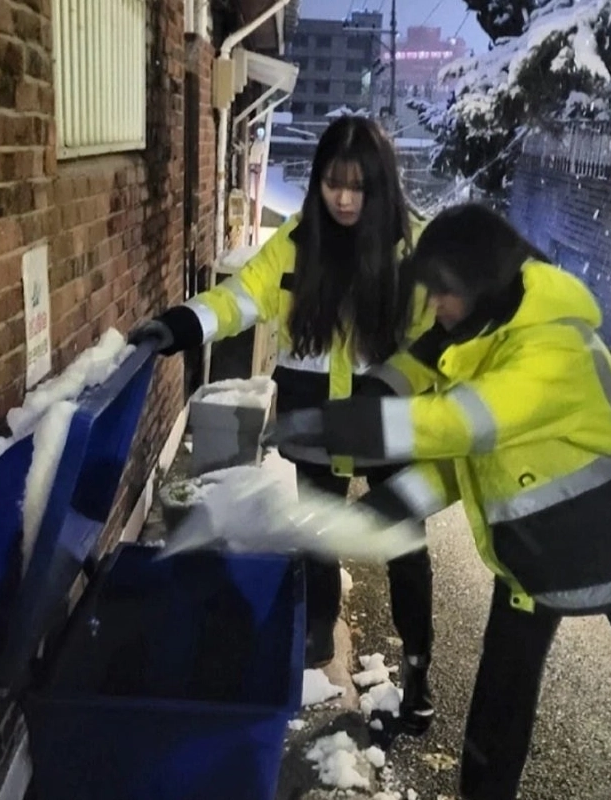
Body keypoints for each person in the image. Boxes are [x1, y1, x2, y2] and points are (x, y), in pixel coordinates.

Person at [275, 203, 611, 799]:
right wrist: (391, 503)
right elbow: (469, 465)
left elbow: (464, 424)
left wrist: (346, 426)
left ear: (481, 282)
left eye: (443, 293)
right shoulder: (480, 333)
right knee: (499, 702)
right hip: (532, 557)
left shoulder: (552, 345)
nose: (434, 308)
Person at [129, 116, 438, 732]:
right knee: (318, 533)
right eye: (332, 184)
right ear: (317, 183)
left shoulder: (415, 249)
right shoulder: (297, 244)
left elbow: (443, 336)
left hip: (388, 423)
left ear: (382, 185)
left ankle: (419, 669)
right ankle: (317, 630)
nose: (345, 199)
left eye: (359, 187)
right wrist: (182, 325)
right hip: (316, 422)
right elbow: (241, 297)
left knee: (405, 546)